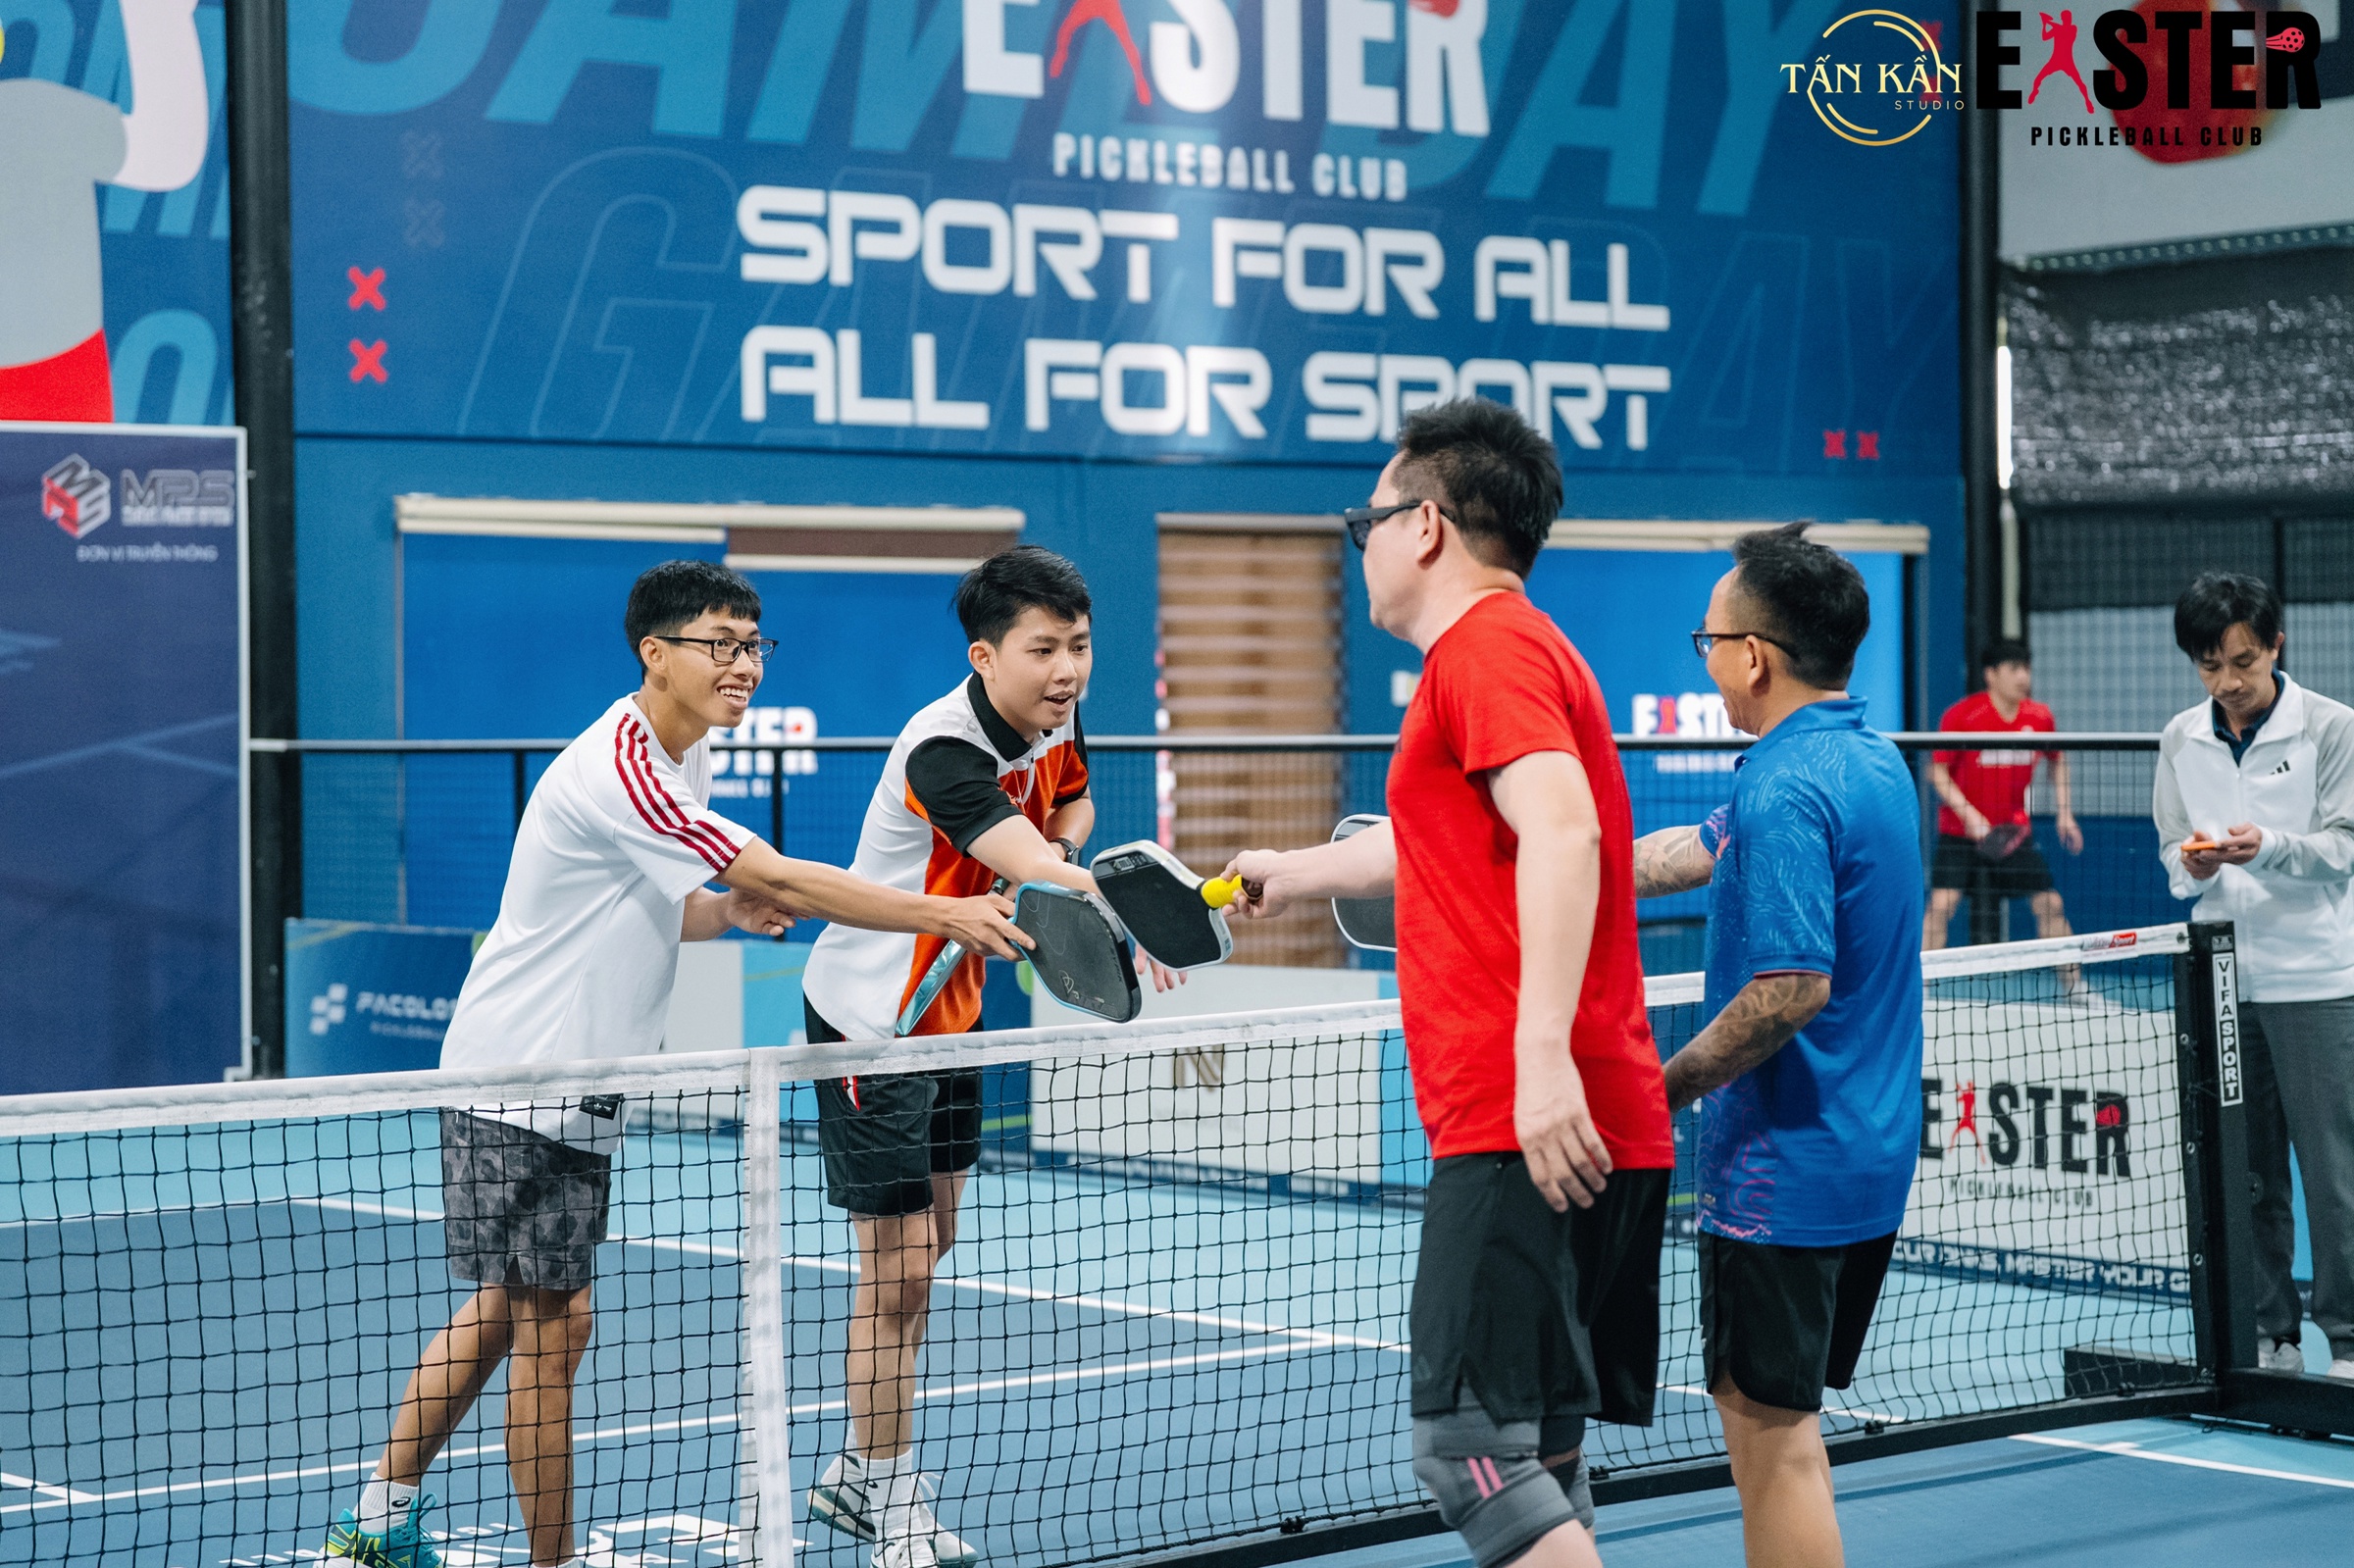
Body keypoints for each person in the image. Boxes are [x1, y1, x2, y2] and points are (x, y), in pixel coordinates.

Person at [324, 561, 1027, 1568]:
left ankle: (376, 1522)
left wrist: (722, 911)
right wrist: (938, 912)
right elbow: (781, 873)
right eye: (719, 645)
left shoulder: (683, 752)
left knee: (504, 1313)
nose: (744, 664)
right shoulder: (625, 765)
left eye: (752, 645)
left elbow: (653, 905)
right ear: (655, 653)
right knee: (556, 1331)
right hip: (521, 1078)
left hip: (576, 1084)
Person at [1222, 398, 1675, 1568]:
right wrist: (1296, 869)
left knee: (1469, 1453)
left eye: (1363, 520)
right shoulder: (1517, 649)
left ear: (1423, 527)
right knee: (1543, 1451)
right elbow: (1450, 835)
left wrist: (1537, 1062)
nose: (1360, 542)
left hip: (1524, 1117)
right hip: (1594, 1118)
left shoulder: (1483, 651)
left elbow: (1564, 831)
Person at [800, 545, 1173, 1568]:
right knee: (897, 1275)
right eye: (1044, 649)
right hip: (875, 1021)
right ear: (985, 655)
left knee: (933, 1252)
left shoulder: (1055, 715)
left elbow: (1070, 807)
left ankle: (855, 1470)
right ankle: (889, 1503)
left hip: (955, 1015)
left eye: (1080, 646)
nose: (1068, 670)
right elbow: (1031, 859)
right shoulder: (944, 751)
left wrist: (1064, 849)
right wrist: (1143, 908)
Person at [1627, 524, 1923, 1568]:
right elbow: (1689, 852)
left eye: (1709, 639)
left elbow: (1792, 989)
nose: (1704, 656)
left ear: (1752, 655)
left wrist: (1657, 1089)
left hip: (1780, 1180)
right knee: (1790, 1436)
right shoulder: (1871, 762)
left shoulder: (1783, 783)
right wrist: (1560, 863)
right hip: (1866, 1160)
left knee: (1773, 1449)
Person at [2155, 571, 2354, 1381]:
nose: (2228, 682)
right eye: (2209, 666)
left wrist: (2265, 847)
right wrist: (2195, 863)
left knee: (2334, 1175)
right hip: (2223, 982)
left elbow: (2346, 845)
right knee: (2249, 1174)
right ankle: (2272, 1332)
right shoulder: (2180, 737)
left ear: (2276, 645)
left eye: (2242, 661)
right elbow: (2173, 855)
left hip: (2317, 980)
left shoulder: (2332, 727)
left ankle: (2348, 1337)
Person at [1923, 640, 2083, 952]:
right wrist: (1969, 815)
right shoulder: (1962, 716)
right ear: (1991, 674)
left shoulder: (2040, 717)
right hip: (1960, 834)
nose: (2023, 677)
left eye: (2026, 669)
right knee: (1941, 906)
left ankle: (2075, 981)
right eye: (2014, 669)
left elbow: (2057, 761)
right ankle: (1920, 982)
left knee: (2050, 904)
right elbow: (1937, 772)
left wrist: (2065, 813)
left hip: (2012, 832)